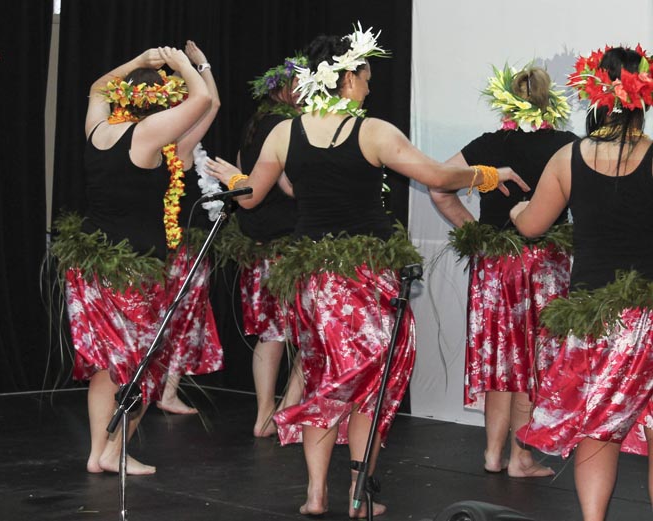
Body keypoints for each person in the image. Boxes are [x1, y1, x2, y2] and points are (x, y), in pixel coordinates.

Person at [206, 23, 527, 518]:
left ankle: (317, 494)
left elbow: (251, 196)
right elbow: (439, 177)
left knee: (323, 377)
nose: (371, 87)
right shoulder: (372, 131)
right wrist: (489, 174)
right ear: (349, 79)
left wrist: (234, 177)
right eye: (368, 77)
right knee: (367, 383)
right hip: (365, 276)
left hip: (312, 280)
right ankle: (359, 496)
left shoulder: (283, 132)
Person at [510, 45, 653, 521]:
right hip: (650, 315)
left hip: (596, 318)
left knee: (598, 426)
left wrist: (514, 210)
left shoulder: (567, 157)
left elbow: (531, 225)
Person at [54, 46, 211, 474]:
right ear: (155, 105)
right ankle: (114, 450)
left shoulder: (98, 128)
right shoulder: (145, 136)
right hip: (130, 269)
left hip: (89, 265)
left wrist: (141, 62)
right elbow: (201, 102)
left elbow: (95, 87)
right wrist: (184, 67)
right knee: (144, 364)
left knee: (106, 366)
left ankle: (98, 454)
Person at [429, 64, 577, 477]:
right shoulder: (566, 146)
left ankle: (493, 455)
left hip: (495, 266)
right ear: (550, 103)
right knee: (530, 360)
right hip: (544, 266)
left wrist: (476, 233)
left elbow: (439, 186)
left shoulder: (487, 143)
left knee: (500, 360)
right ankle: (521, 457)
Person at [235, 55, 306, 437]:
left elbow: (240, 172)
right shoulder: (285, 126)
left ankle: (266, 414)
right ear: (283, 89)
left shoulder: (255, 123)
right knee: (306, 331)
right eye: (300, 87)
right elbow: (287, 183)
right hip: (284, 242)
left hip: (259, 240)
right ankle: (286, 411)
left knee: (271, 332)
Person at [157, 40, 224, 416]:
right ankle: (165, 392)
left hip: (157, 248)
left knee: (163, 318)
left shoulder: (141, 141)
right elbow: (211, 104)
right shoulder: (176, 146)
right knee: (179, 319)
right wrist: (200, 65)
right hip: (181, 251)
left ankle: (154, 389)